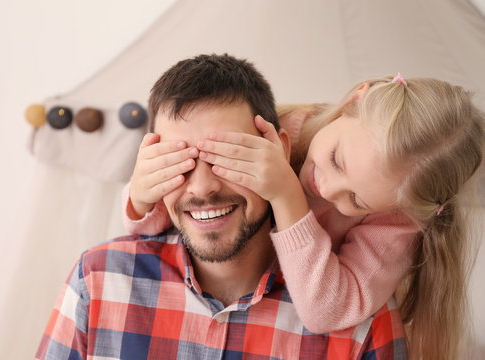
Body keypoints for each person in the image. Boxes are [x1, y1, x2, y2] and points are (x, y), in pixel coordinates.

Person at [36, 54, 408, 359]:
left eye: (228, 158)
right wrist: (139, 198)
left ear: (279, 150)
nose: (203, 187)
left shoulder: (361, 320)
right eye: (179, 162)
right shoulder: (98, 282)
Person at [122, 69, 484, 360]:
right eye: (335, 160)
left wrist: (287, 194)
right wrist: (139, 197)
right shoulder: (281, 131)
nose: (326, 188)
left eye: (356, 201)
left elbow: (326, 312)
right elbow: (171, 221)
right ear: (353, 101)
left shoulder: (397, 220)